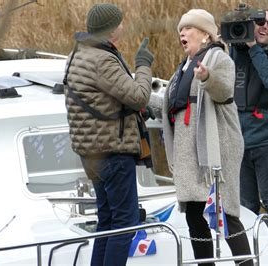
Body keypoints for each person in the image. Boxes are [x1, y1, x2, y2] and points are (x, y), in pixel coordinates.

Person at [63, 3, 154, 266]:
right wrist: (143, 65)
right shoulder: (102, 59)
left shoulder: (79, 53)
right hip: (112, 152)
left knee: (108, 220)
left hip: (92, 152)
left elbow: (101, 99)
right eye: (121, 23)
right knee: (125, 223)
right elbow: (138, 96)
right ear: (113, 29)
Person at [161, 9, 252, 266]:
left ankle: (247, 263)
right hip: (188, 153)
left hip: (215, 151)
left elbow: (224, 90)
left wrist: (208, 77)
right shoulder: (182, 67)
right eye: (181, 29)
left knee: (226, 213)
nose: (182, 32)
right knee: (194, 215)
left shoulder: (219, 58)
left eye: (188, 28)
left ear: (205, 34)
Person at [229, 9, 268, 262]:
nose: (263, 26)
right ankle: (251, 257)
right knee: (246, 205)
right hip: (238, 139)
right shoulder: (238, 51)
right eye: (259, 22)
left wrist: (255, 47)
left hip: (264, 139)